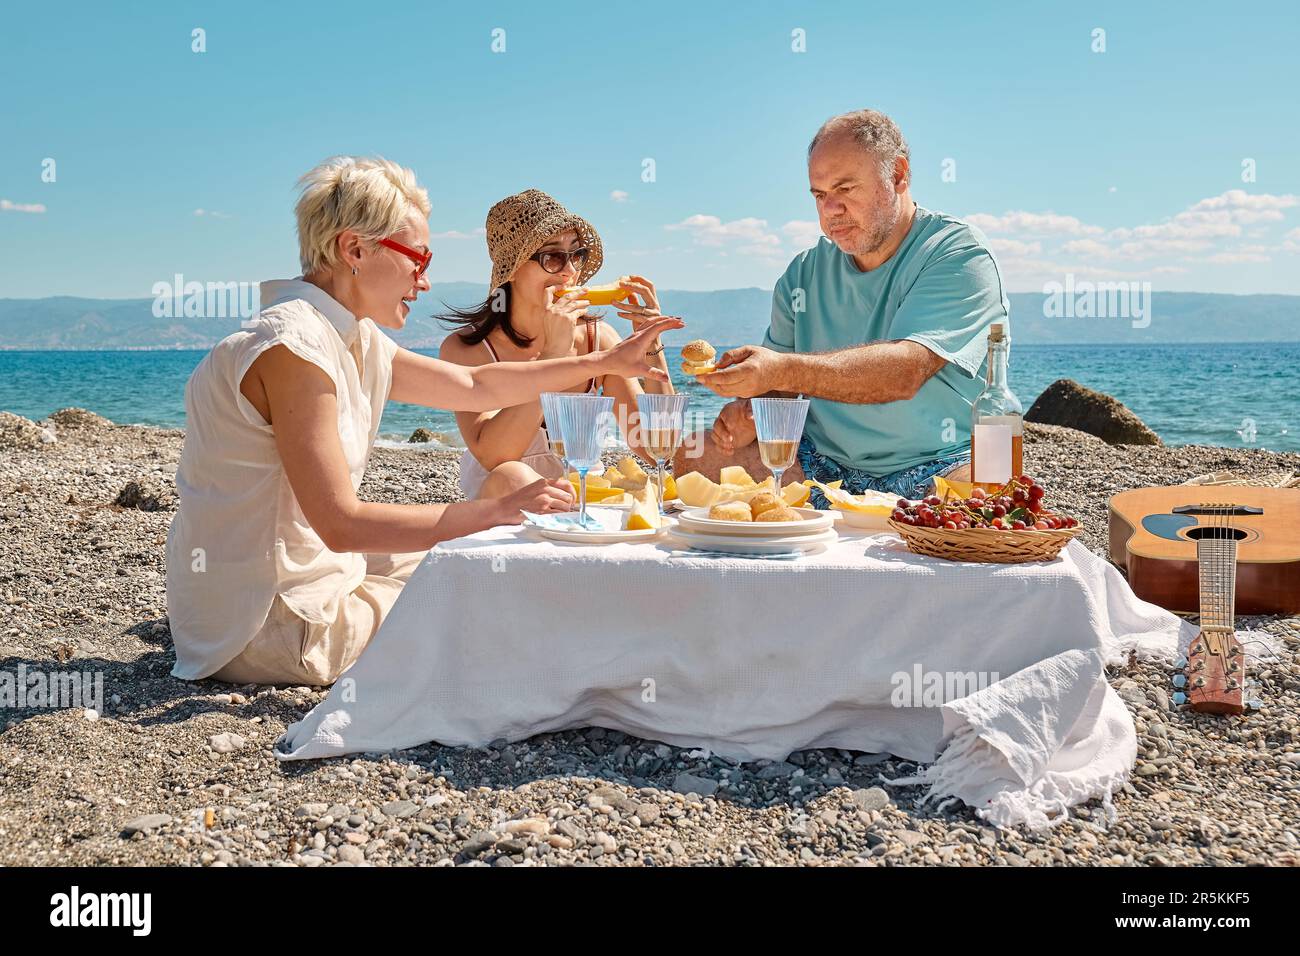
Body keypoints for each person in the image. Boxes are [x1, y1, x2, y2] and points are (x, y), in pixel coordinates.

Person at [166, 158, 680, 686]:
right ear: (354, 249)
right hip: (271, 624)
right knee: (503, 598)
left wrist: (601, 363)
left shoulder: (349, 336)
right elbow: (342, 525)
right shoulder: (294, 347)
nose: (425, 279)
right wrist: (496, 510)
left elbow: (476, 387)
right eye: (418, 258)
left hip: (288, 589)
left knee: (491, 570)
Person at [677, 109, 1009, 506]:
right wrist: (749, 412)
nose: (830, 210)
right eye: (820, 195)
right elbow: (779, 387)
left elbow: (904, 372)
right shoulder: (802, 273)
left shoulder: (958, 254)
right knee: (694, 455)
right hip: (821, 463)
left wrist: (780, 369)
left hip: (938, 463)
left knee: (996, 487)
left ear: (898, 175)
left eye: (846, 189)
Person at [438, 189, 674, 501]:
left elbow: (656, 447)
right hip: (504, 510)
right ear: (512, 270)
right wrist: (554, 357)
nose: (570, 272)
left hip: (582, 504)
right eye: (552, 257)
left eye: (576, 255)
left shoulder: (597, 339)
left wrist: (651, 343)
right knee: (513, 476)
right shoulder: (468, 349)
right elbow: (495, 457)